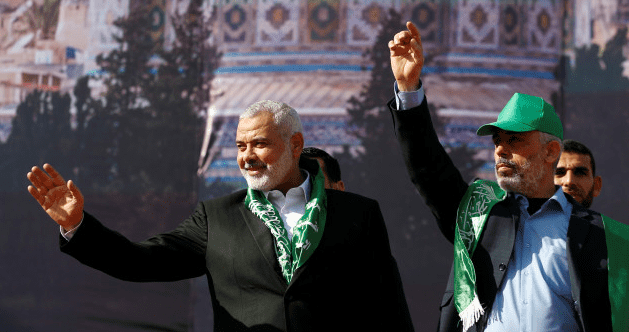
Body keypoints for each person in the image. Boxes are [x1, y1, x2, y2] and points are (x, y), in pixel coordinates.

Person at [27, 99, 414, 332]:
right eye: (240, 145)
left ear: (294, 145)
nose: (246, 157)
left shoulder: (357, 213)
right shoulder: (217, 217)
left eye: (259, 144)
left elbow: (387, 307)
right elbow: (138, 261)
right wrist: (76, 224)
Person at [387, 21, 629, 332]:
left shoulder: (609, 242)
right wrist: (408, 89)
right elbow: (428, 171)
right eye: (497, 141)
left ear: (551, 151)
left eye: (515, 141)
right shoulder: (482, 216)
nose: (500, 151)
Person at [555, 139, 629, 331]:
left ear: (596, 185)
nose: (569, 181)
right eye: (559, 172)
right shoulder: (520, 240)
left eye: (580, 172)